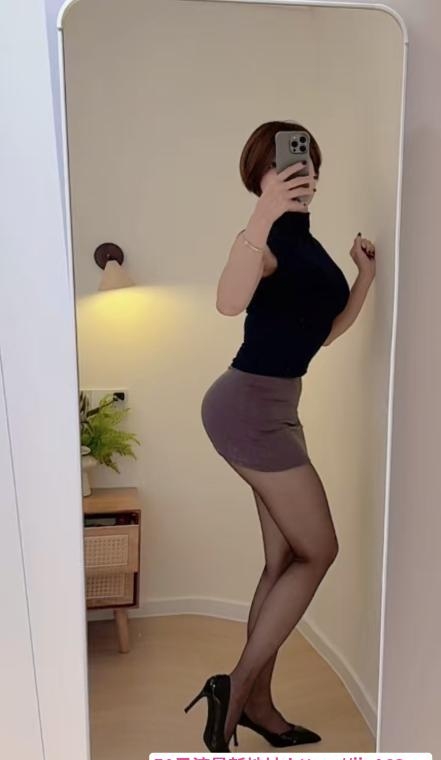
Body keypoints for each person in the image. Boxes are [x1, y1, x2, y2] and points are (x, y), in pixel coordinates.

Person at [184, 120, 376, 751]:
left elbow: (324, 333)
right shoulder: (264, 242)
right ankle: (236, 688)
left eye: (308, 162)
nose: (302, 172)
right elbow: (227, 301)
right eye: (285, 163)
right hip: (246, 409)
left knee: (283, 559)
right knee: (320, 550)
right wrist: (262, 214)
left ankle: (258, 705)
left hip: (278, 409)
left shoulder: (307, 245)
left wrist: (364, 277)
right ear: (259, 176)